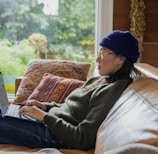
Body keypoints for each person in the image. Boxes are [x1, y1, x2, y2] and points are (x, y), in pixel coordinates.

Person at [0, 30, 140, 150]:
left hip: (55, 135)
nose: (97, 59)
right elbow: (71, 110)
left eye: (103, 53)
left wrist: (43, 116)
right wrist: (44, 106)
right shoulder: (98, 80)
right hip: (48, 122)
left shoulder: (112, 91)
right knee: (4, 110)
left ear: (121, 58)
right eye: (99, 52)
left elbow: (83, 138)